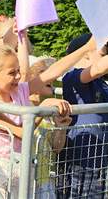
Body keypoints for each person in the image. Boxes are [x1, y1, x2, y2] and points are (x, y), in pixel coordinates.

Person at [0, 42, 89, 197]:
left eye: (18, 71)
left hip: (26, 170)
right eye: (11, 73)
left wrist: (87, 48)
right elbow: (22, 133)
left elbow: (53, 72)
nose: (17, 77)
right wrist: (41, 108)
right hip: (1, 175)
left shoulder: (19, 91)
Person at [56, 34, 108, 198]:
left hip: (98, 160)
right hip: (78, 161)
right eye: (103, 54)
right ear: (86, 54)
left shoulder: (101, 83)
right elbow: (99, 68)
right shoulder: (73, 77)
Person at [27, 56, 72, 198]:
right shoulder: (21, 106)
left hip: (45, 179)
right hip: (26, 178)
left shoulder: (49, 112)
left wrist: (61, 128)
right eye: (48, 83)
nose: (52, 88)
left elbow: (56, 148)